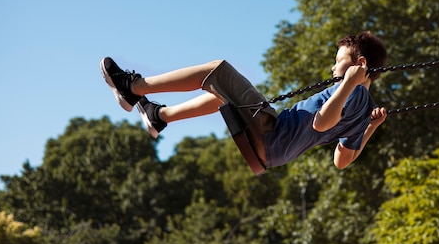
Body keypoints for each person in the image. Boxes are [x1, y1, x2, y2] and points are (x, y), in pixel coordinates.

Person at [100, 31, 388, 170]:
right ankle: (159, 116)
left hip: (273, 133)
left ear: (358, 64)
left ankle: (132, 87)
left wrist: (348, 82)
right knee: (221, 94)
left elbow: (323, 123)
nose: (332, 68)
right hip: (274, 152)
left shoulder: (353, 92)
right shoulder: (362, 109)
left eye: (338, 62)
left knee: (217, 71)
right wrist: (370, 128)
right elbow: (342, 160)